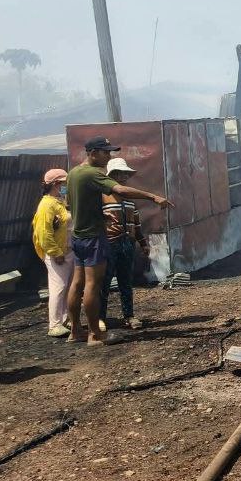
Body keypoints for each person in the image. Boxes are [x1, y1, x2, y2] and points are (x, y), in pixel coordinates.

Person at [66, 136, 172, 345]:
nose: (108, 156)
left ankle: (75, 331)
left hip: (78, 237)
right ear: (93, 153)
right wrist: (153, 197)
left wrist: (97, 214)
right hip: (94, 238)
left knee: (77, 284)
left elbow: (69, 205)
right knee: (93, 285)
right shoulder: (93, 173)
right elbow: (121, 190)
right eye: (105, 152)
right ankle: (95, 334)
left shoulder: (73, 174)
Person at [100, 157, 149, 329]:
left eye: (125, 174)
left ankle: (129, 316)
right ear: (111, 176)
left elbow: (136, 224)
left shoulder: (130, 201)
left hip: (128, 243)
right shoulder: (102, 198)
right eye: (119, 173)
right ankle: (100, 318)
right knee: (104, 282)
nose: (123, 177)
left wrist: (143, 243)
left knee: (126, 281)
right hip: (109, 243)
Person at [31, 168, 71, 337]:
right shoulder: (46, 205)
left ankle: (65, 319)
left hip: (67, 250)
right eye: (64, 183)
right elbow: (43, 233)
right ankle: (54, 325)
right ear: (56, 184)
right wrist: (55, 252)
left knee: (66, 287)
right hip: (58, 252)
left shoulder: (59, 201)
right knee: (58, 287)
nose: (66, 186)